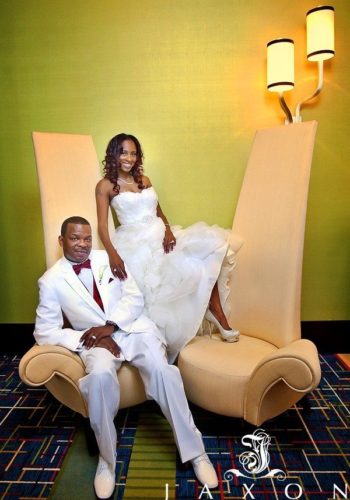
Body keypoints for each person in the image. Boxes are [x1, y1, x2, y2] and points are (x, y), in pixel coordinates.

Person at [34, 216, 219, 499]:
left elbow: (134, 296)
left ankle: (196, 452)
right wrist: (89, 337)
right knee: (97, 379)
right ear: (62, 241)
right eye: (75, 238)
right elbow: (45, 332)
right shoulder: (50, 281)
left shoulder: (108, 258)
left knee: (162, 371)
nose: (82, 244)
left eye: (86, 238)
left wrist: (111, 326)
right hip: (94, 341)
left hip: (132, 328)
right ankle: (107, 461)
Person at [96, 133, 240, 362]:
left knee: (206, 249)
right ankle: (161, 343)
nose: (129, 158)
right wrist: (113, 255)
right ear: (114, 154)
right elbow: (102, 226)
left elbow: (159, 211)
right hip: (135, 242)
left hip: (160, 234)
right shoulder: (105, 186)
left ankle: (216, 311)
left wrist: (169, 231)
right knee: (161, 283)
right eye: (124, 152)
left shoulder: (144, 180)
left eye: (133, 153)